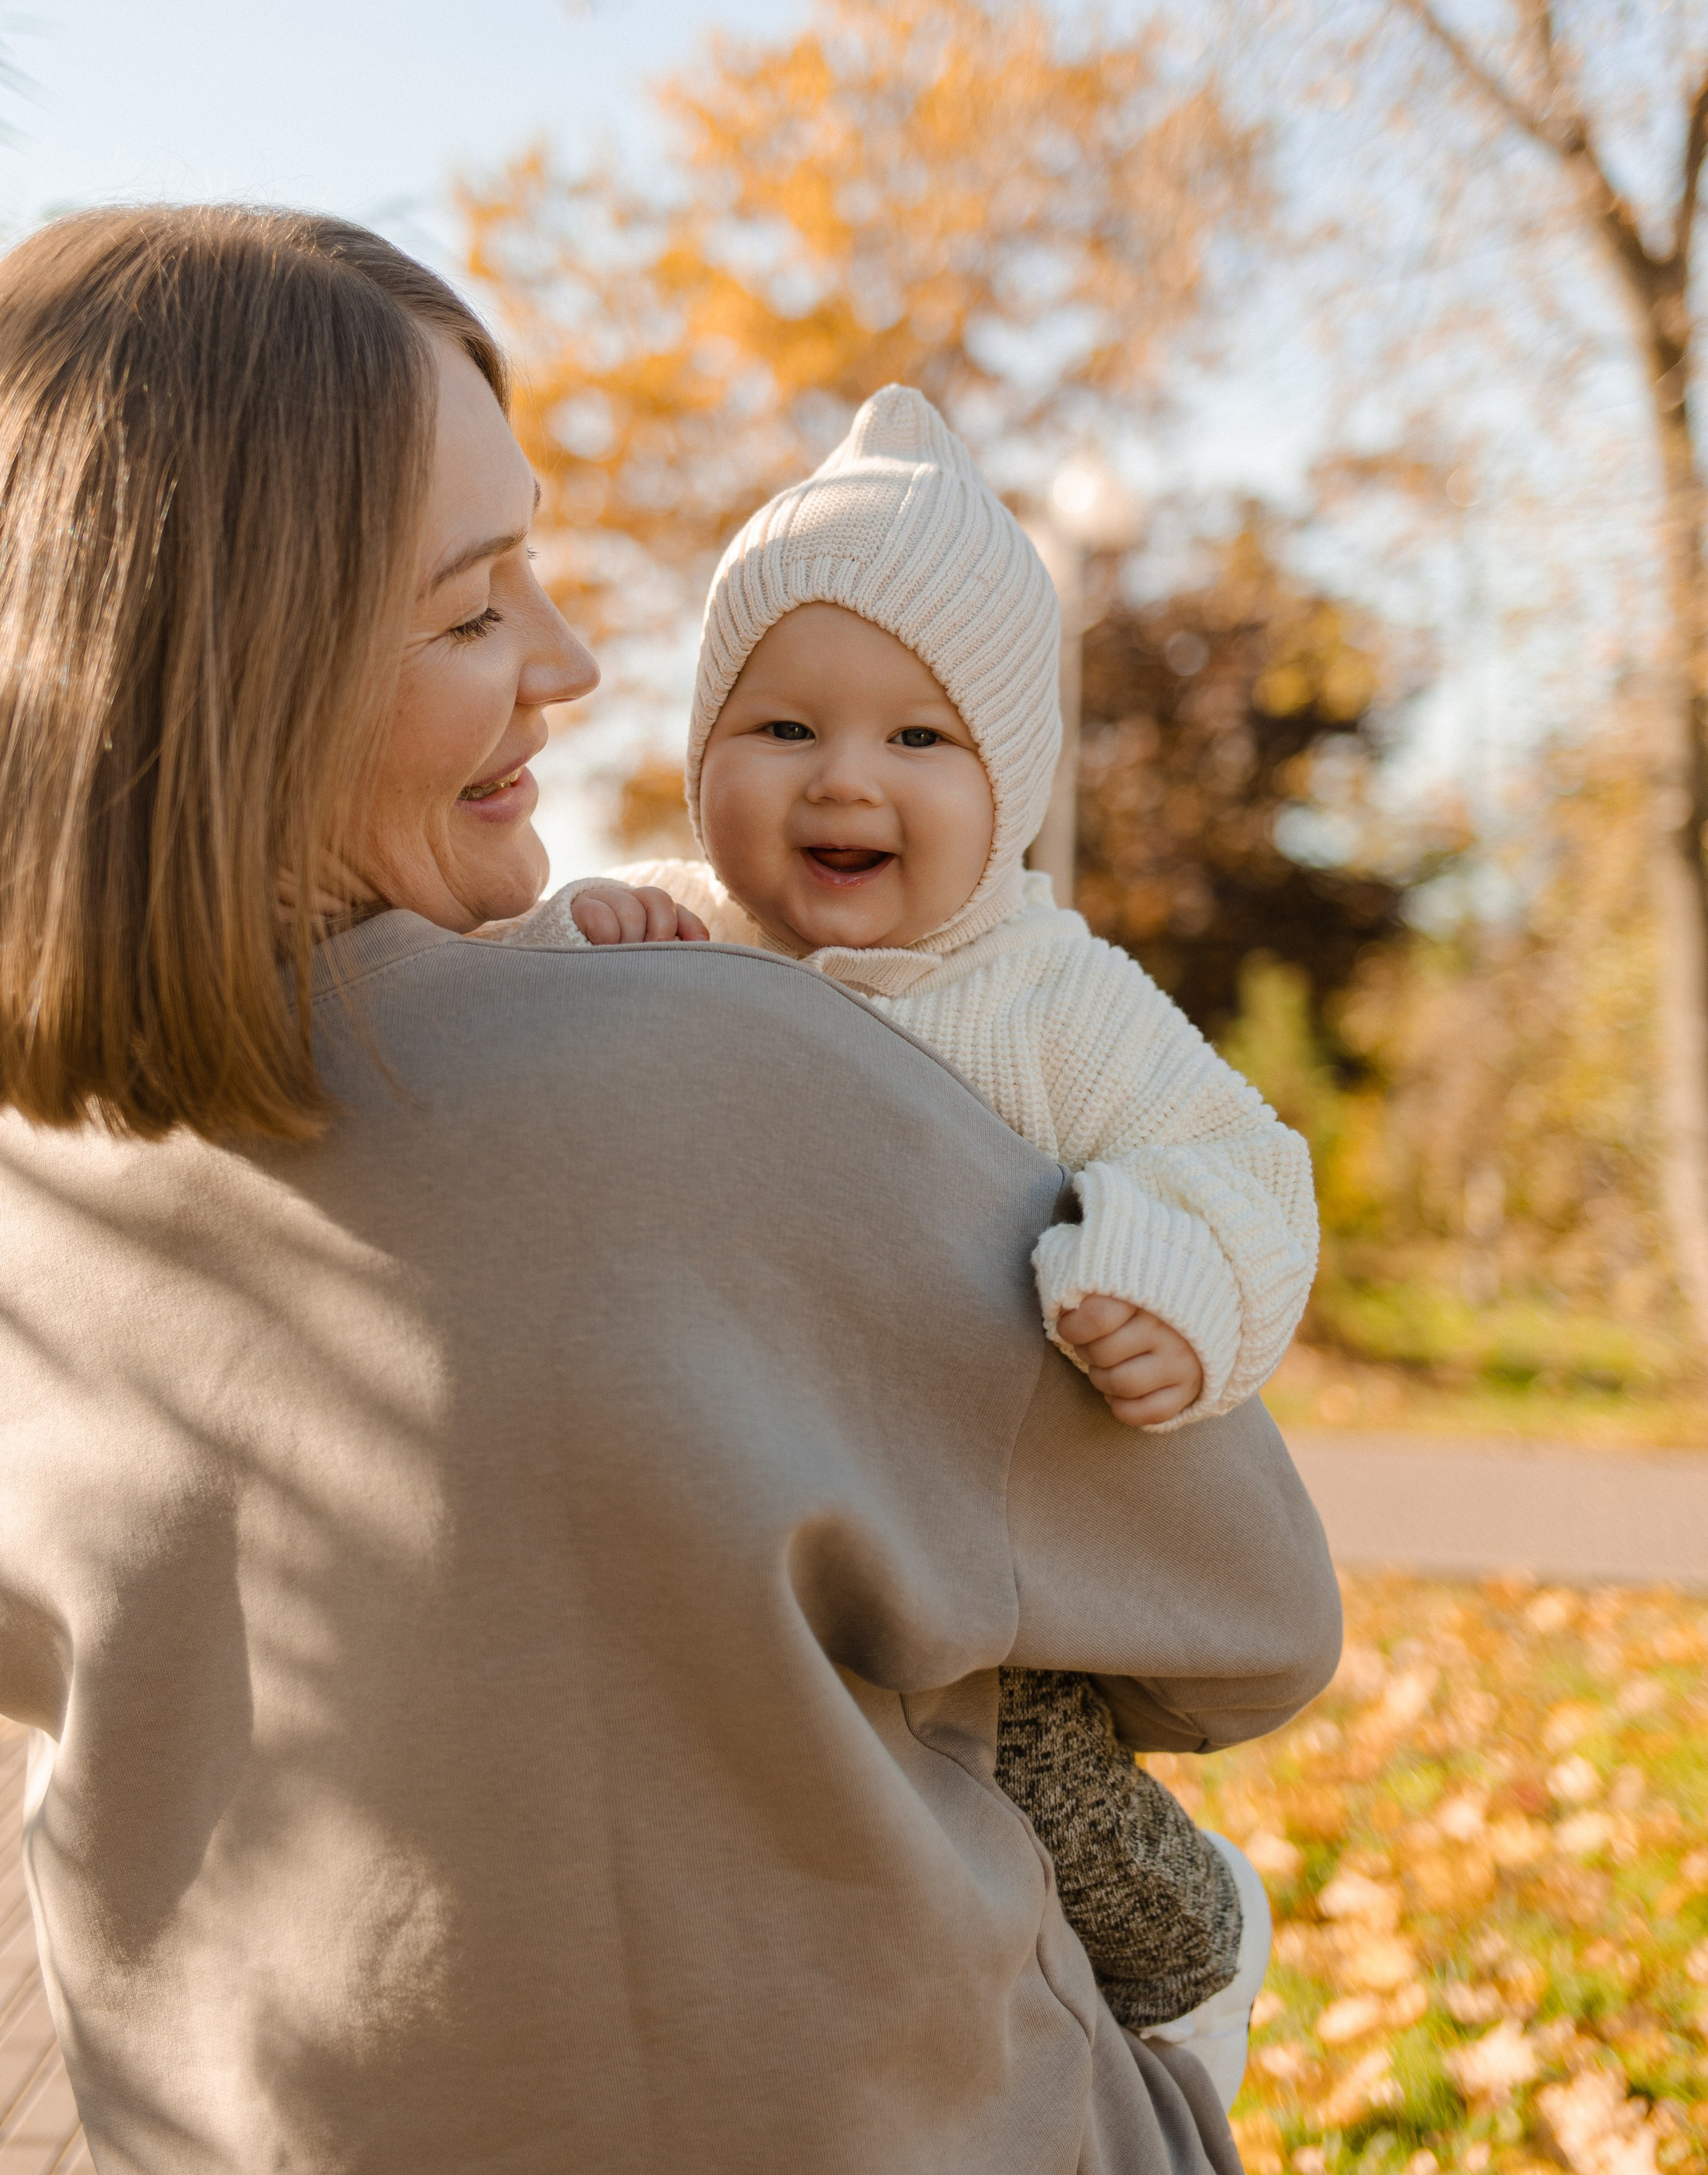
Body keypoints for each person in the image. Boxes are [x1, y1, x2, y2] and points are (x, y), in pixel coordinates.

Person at [0, 205, 1341, 2175]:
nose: (574, 660)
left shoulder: (45, 1203)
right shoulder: (746, 1065)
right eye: (473, 610)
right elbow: (1251, 1615)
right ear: (248, 679)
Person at [488, 384, 1318, 2088]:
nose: (842, 780)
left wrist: (1164, 1271)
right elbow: (516, 1073)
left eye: (916, 741)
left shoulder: (1046, 994)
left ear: (1005, 781)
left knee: (1054, 1817)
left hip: (986, 1565)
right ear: (705, 750)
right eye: (780, 732)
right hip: (762, 1524)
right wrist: (588, 929)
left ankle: (1192, 1955)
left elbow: (1239, 1159)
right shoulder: (678, 931)